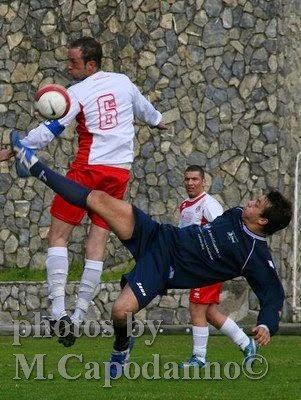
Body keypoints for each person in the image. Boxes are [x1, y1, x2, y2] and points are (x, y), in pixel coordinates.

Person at [10, 137, 292, 378]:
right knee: (97, 199)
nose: (251, 201)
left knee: (120, 312)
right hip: (158, 235)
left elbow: (273, 295)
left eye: (257, 204)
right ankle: (34, 166)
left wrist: (267, 323)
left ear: (264, 221)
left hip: (163, 268)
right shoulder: (235, 215)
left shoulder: (256, 256)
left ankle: (122, 345)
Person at [1, 37, 166, 347]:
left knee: (59, 236)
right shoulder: (123, 82)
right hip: (119, 173)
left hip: (87, 171)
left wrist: (16, 149)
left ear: (91, 65)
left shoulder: (75, 93)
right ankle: (78, 317)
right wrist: (158, 122)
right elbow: (146, 110)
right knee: (97, 243)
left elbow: (50, 130)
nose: (68, 66)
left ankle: (58, 312)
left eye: (74, 63)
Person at [178, 165, 256, 368]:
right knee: (210, 313)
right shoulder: (186, 205)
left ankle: (199, 358)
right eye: (187, 179)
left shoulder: (209, 204)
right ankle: (246, 343)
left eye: (195, 179)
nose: (190, 183)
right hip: (196, 266)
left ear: (204, 181)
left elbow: (223, 232)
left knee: (196, 308)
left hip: (208, 266)